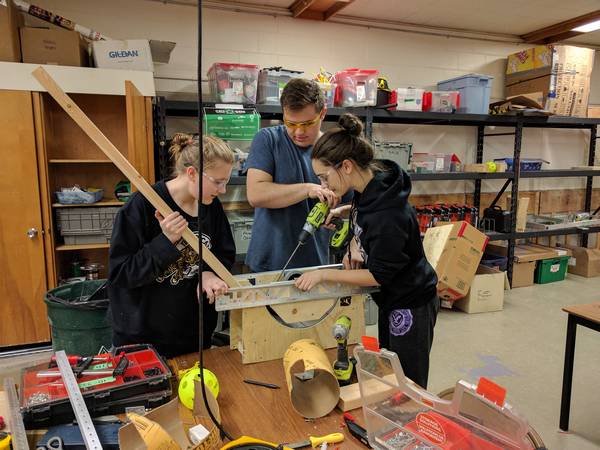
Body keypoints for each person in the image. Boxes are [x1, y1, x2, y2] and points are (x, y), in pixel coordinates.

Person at [295, 114, 440, 388]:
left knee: (408, 379)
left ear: (346, 166)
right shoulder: (371, 184)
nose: (324, 187)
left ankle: (411, 424)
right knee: (390, 366)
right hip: (392, 298)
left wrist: (325, 275)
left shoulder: (389, 216)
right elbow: (367, 209)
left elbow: (378, 276)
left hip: (410, 302)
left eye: (325, 178)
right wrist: (345, 211)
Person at [108, 133, 236, 358]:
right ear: (192, 173)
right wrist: (165, 241)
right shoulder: (142, 207)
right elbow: (122, 274)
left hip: (193, 333)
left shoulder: (211, 206)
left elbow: (224, 253)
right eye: (218, 182)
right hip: (144, 339)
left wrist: (208, 274)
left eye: (226, 181)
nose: (223, 190)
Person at [245, 78, 338, 273]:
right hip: (268, 263)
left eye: (307, 123)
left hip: (316, 265)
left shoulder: (335, 149)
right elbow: (256, 194)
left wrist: (338, 217)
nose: (298, 131)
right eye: (290, 123)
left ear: (323, 114)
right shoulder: (268, 139)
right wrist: (308, 189)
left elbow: (349, 207)